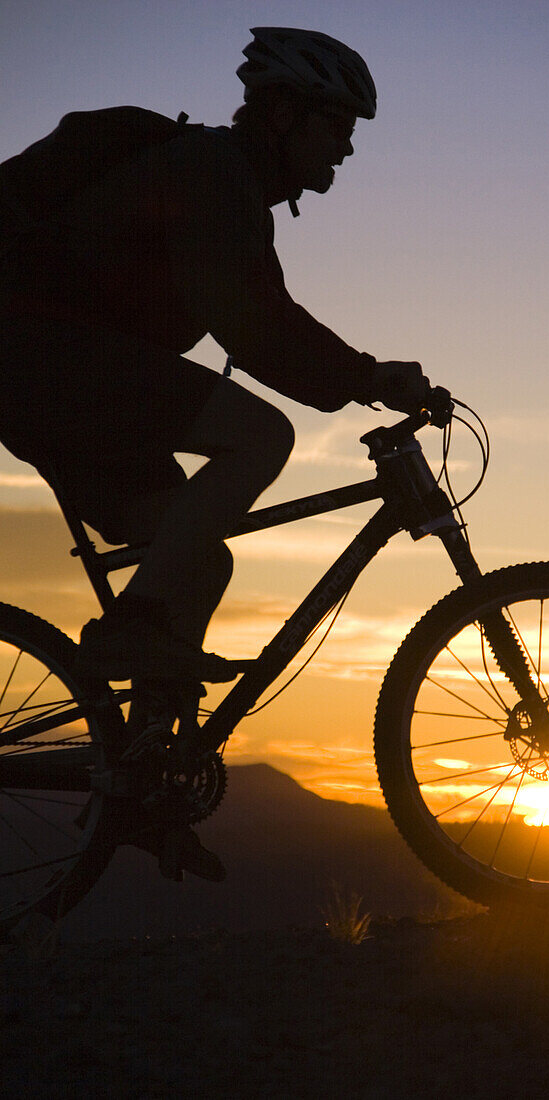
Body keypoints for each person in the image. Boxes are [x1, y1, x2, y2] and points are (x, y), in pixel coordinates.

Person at [0, 27, 429, 879]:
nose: (346, 143)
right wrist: (364, 375)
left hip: (64, 380)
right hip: (45, 357)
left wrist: (355, 373)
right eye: (335, 123)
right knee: (261, 434)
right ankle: (128, 634)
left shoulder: (228, 185)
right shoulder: (210, 174)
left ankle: (141, 780)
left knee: (196, 565)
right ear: (281, 114)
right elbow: (253, 322)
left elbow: (253, 307)